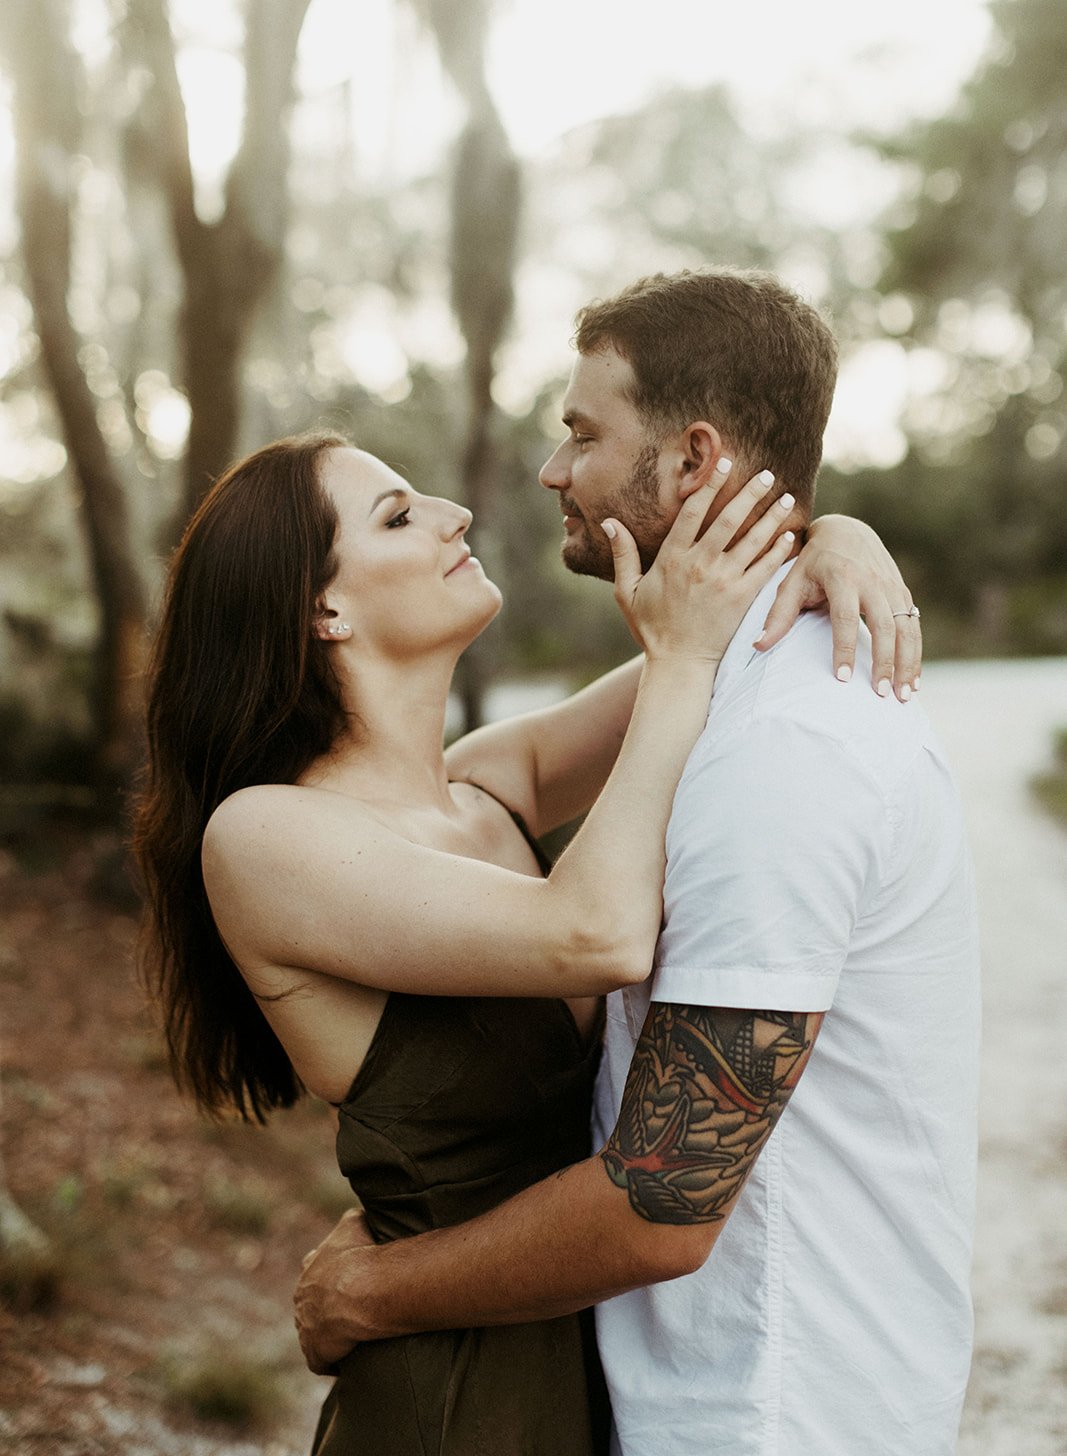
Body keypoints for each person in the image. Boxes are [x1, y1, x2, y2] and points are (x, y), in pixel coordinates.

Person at [294, 269, 978, 1456]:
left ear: (693, 457)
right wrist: (823, 530)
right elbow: (518, 765)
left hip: (767, 1409)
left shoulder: (784, 748)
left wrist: (369, 1294)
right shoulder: (727, 685)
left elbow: (662, 1197)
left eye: (581, 433)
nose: (554, 471)